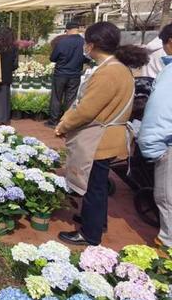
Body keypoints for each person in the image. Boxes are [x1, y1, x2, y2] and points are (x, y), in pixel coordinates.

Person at [56, 22, 149, 246]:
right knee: (97, 182)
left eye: (87, 42)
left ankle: (90, 233)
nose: (84, 46)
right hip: (105, 135)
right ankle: (95, 220)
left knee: (93, 185)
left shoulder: (109, 72)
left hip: (99, 137)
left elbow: (86, 109)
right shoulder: (116, 67)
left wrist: (63, 125)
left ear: (93, 44)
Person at [138, 23, 172, 248]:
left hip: (167, 141)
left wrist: (149, 143)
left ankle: (167, 244)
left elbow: (160, 111)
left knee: (166, 197)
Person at [46, 21, 87, 127]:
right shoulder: (84, 42)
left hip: (61, 73)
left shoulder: (62, 42)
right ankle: (66, 121)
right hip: (75, 74)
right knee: (71, 98)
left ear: (68, 30)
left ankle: (53, 121)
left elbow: (53, 58)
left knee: (56, 97)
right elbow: (87, 58)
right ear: (77, 29)